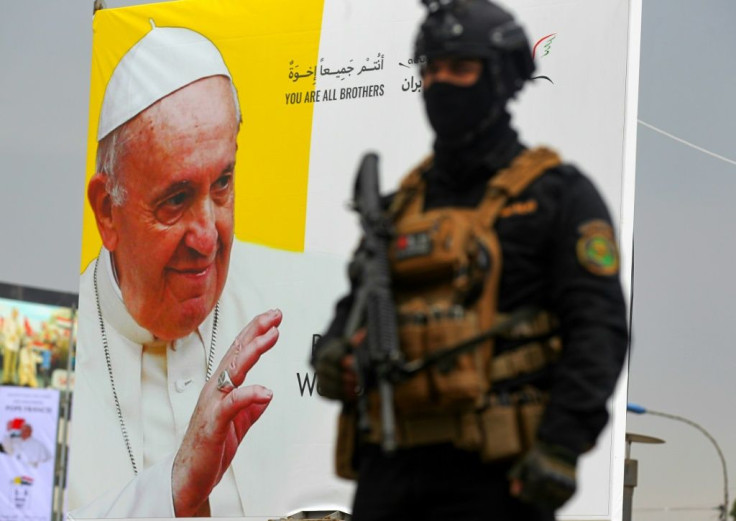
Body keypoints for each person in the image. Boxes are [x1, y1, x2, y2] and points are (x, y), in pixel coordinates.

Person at [312, 1, 628, 520]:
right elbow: (348, 319)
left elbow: (599, 330)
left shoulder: (556, 196)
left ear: (500, 77)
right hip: (390, 472)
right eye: (429, 68)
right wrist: (335, 359)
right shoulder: (397, 210)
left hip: (500, 478)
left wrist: (560, 447)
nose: (439, 83)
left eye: (459, 68)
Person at [67, 24, 282, 518]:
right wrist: (173, 490)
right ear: (107, 211)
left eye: (223, 183)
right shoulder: (24, 358)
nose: (207, 238)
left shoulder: (294, 309)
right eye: (176, 199)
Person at [2, 307, 23, 384]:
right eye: (15, 313)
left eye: (17, 313)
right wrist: (10, 336)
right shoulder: (8, 320)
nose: (16, 314)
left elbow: (20, 333)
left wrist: (17, 336)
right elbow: (4, 330)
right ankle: (6, 379)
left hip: (15, 346)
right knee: (7, 363)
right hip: (9, 345)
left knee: (13, 364)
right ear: (12, 313)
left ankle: (11, 380)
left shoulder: (18, 322)